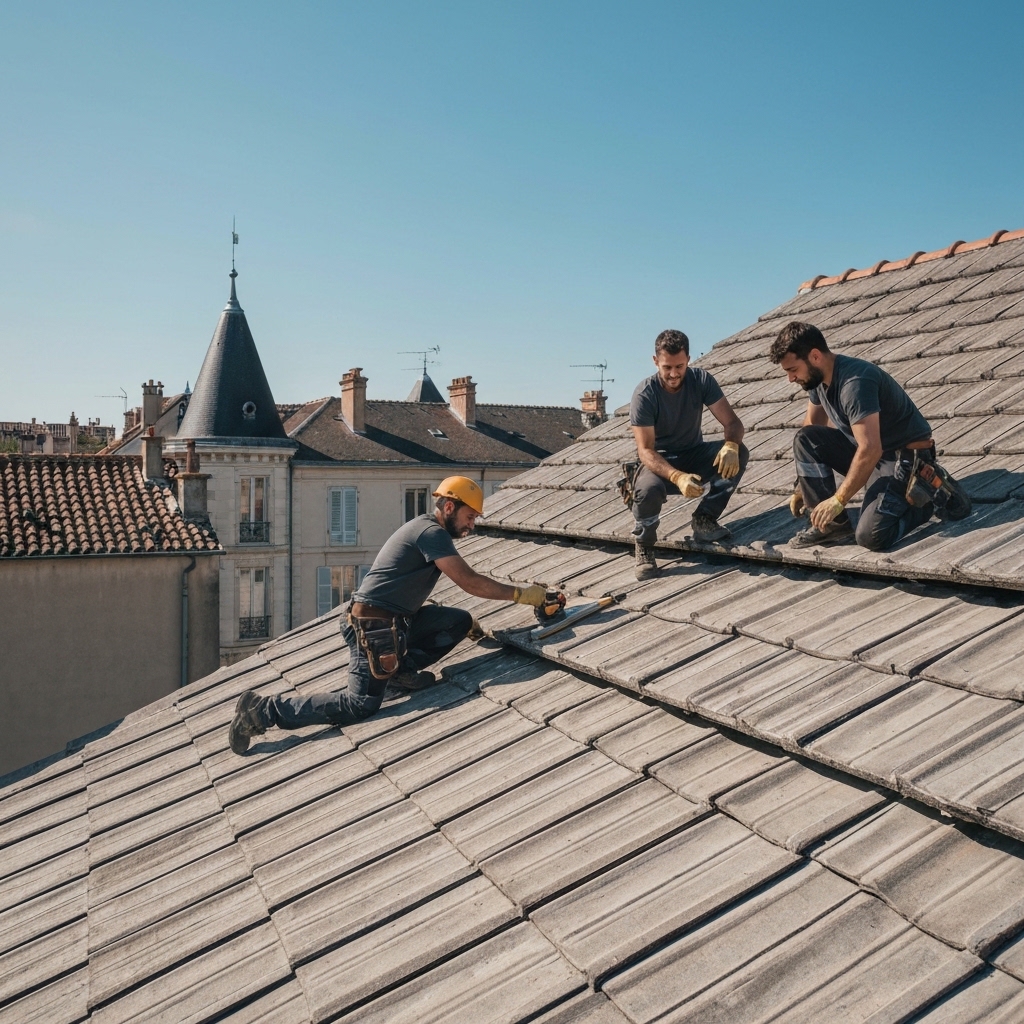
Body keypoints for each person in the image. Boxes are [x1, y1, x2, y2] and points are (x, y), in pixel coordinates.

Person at [228, 476, 560, 753]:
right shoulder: (432, 533)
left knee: (458, 621)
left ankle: (398, 673)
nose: (472, 525)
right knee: (359, 706)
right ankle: (262, 711)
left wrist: (471, 623)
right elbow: (468, 580)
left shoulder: (427, 528)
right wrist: (523, 595)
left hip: (396, 622)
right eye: (470, 517)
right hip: (372, 629)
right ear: (449, 507)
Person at [768, 321, 971, 550]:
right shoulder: (817, 380)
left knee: (871, 536)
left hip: (903, 459)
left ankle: (926, 500)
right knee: (805, 438)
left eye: (793, 370)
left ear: (815, 356)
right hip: (874, 457)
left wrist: (838, 500)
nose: (791, 379)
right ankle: (833, 526)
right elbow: (811, 429)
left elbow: (870, 448)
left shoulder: (854, 382)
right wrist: (802, 488)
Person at [629, 329, 747, 580]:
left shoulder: (701, 381)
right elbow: (645, 451)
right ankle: (645, 545)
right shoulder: (645, 395)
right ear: (655, 361)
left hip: (694, 454)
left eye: (680, 366)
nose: (674, 374)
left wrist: (731, 445)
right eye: (667, 367)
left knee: (740, 452)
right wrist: (677, 477)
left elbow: (733, 424)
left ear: (689, 360)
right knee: (646, 490)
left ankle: (704, 520)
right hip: (660, 464)